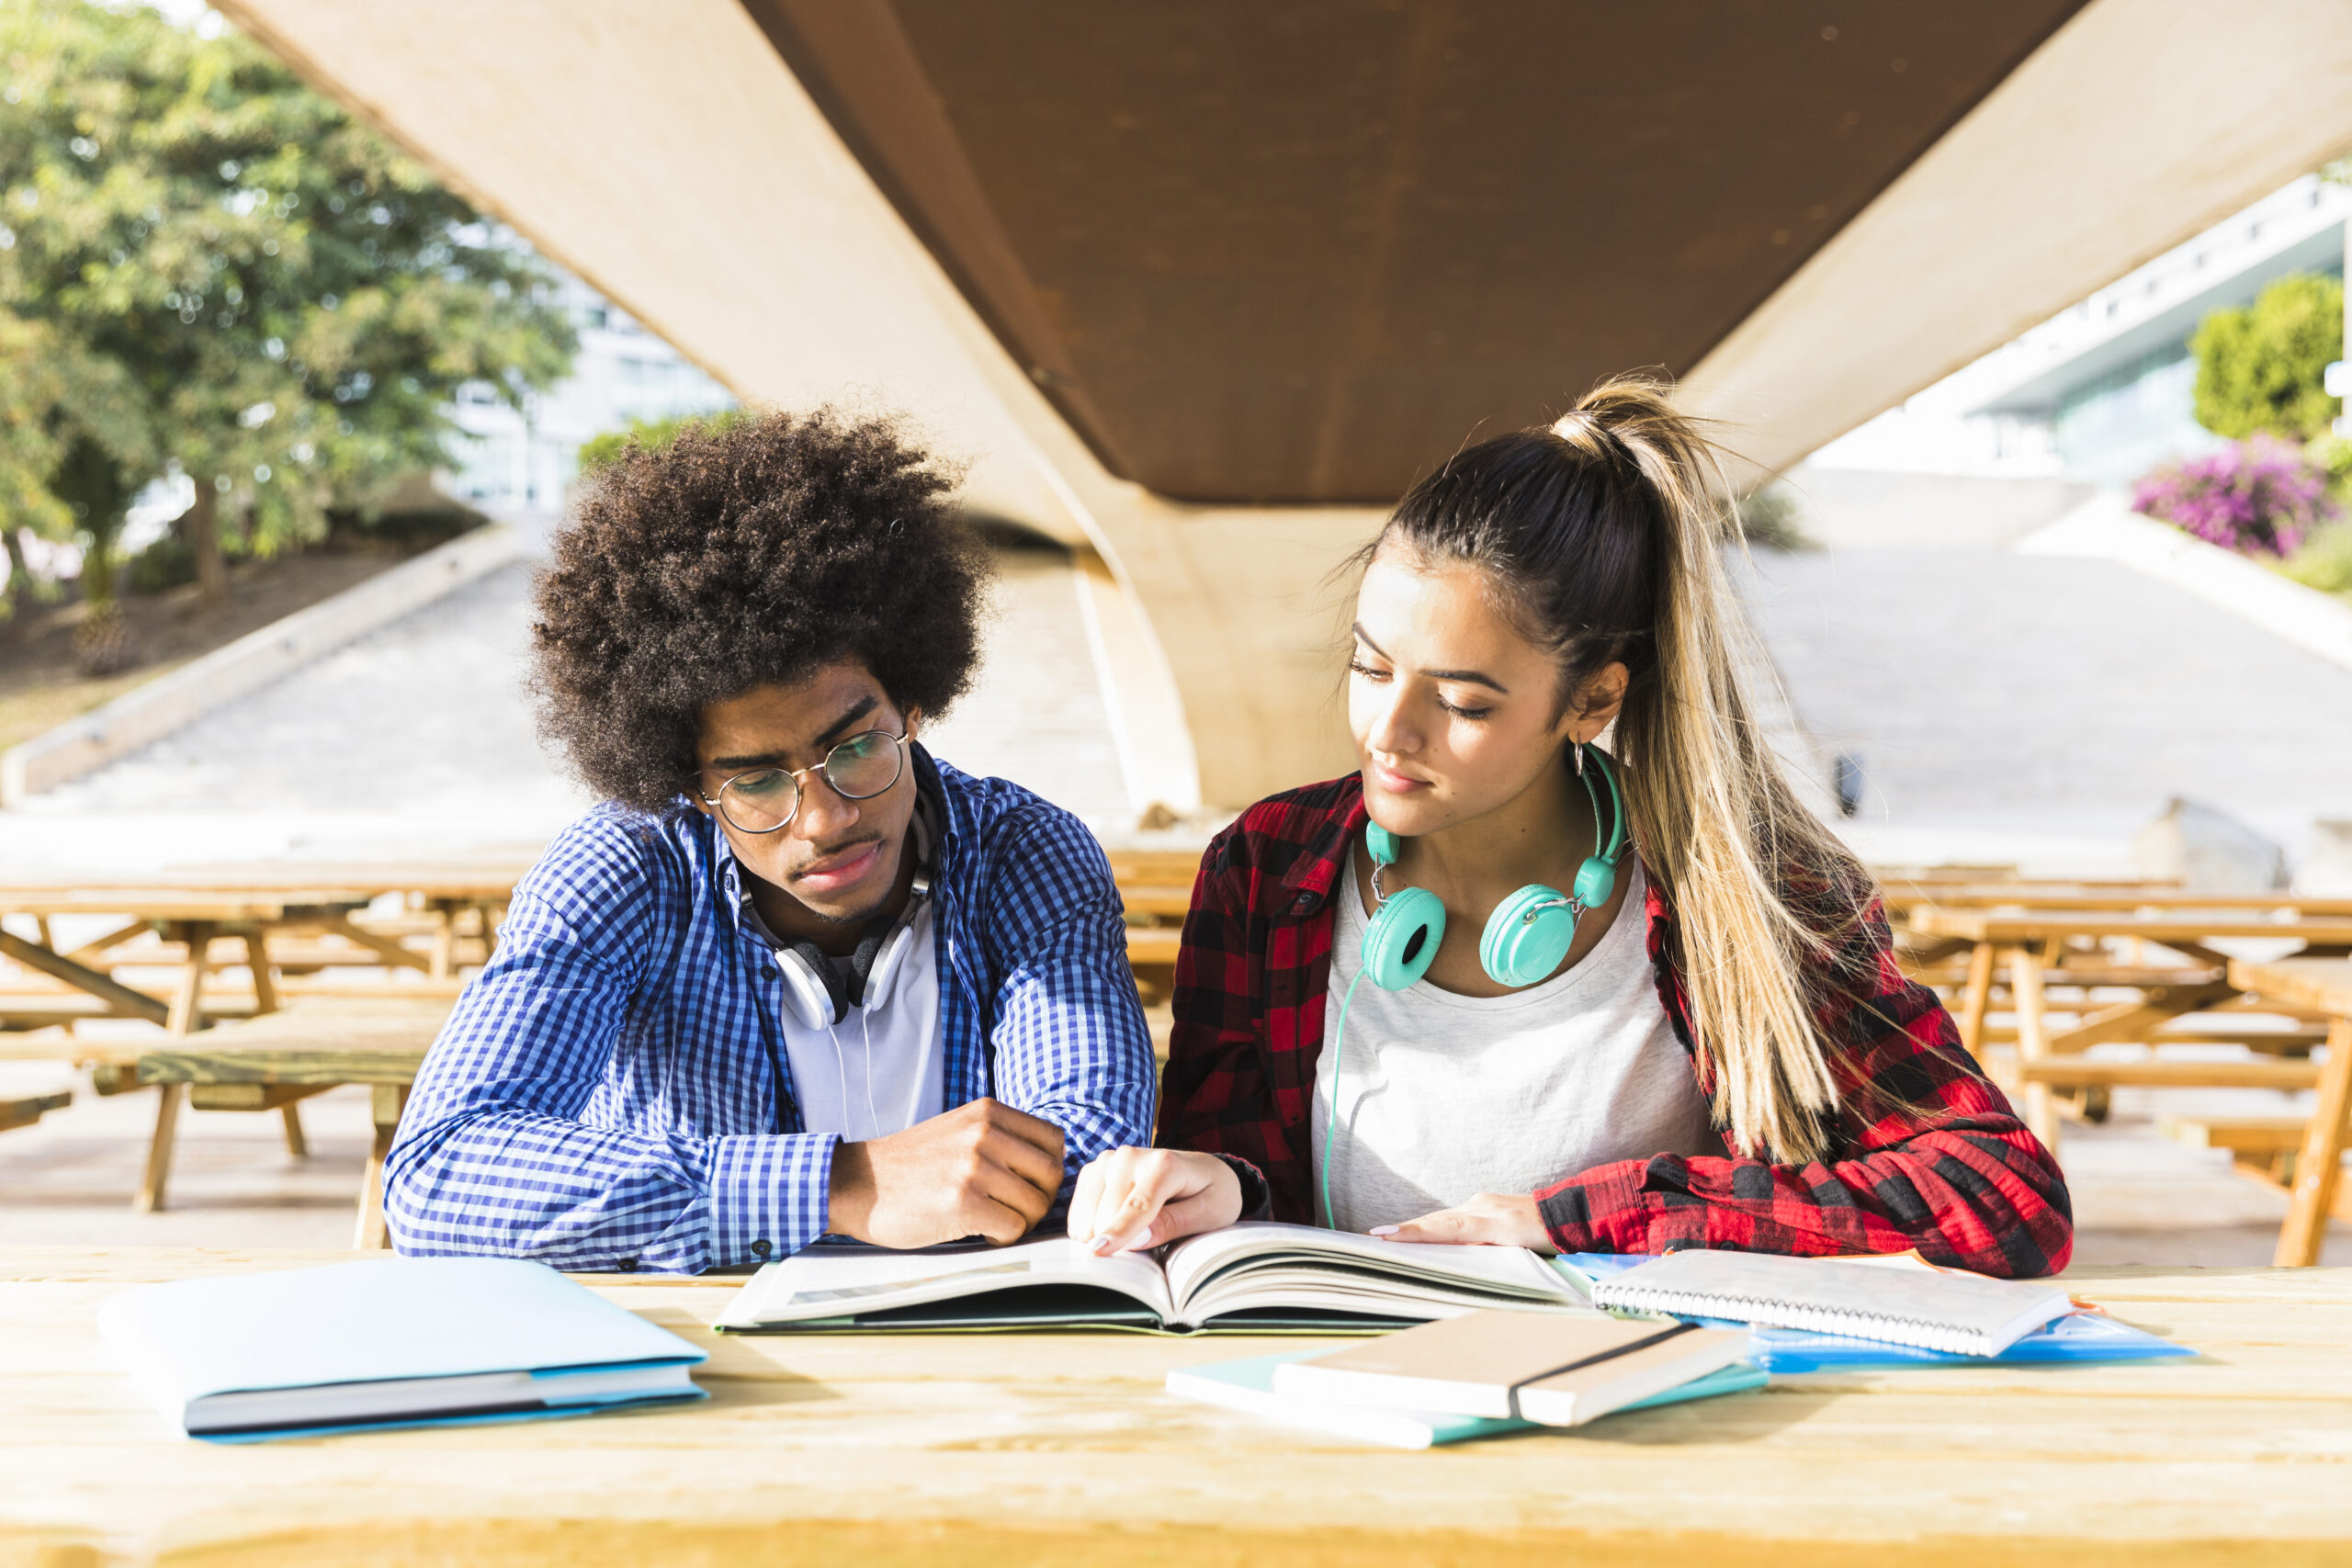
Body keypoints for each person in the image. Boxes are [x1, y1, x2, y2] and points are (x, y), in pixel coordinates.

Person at [1069, 378, 2072, 1278]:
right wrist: (1219, 1187)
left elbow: (2004, 1194)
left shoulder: (1748, 889)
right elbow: (1245, 1223)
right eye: (1370, 667)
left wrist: (1587, 1216)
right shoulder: (1263, 870)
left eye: (1461, 704)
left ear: (1591, 703)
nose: (1389, 730)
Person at [386, 410, 1156, 1271]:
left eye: (857, 748)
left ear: (913, 706)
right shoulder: (623, 871)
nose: (825, 820)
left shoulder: (1025, 854)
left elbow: (1092, 1155)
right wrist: (845, 1184)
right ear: (687, 786)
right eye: (754, 782)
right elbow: (441, 1177)